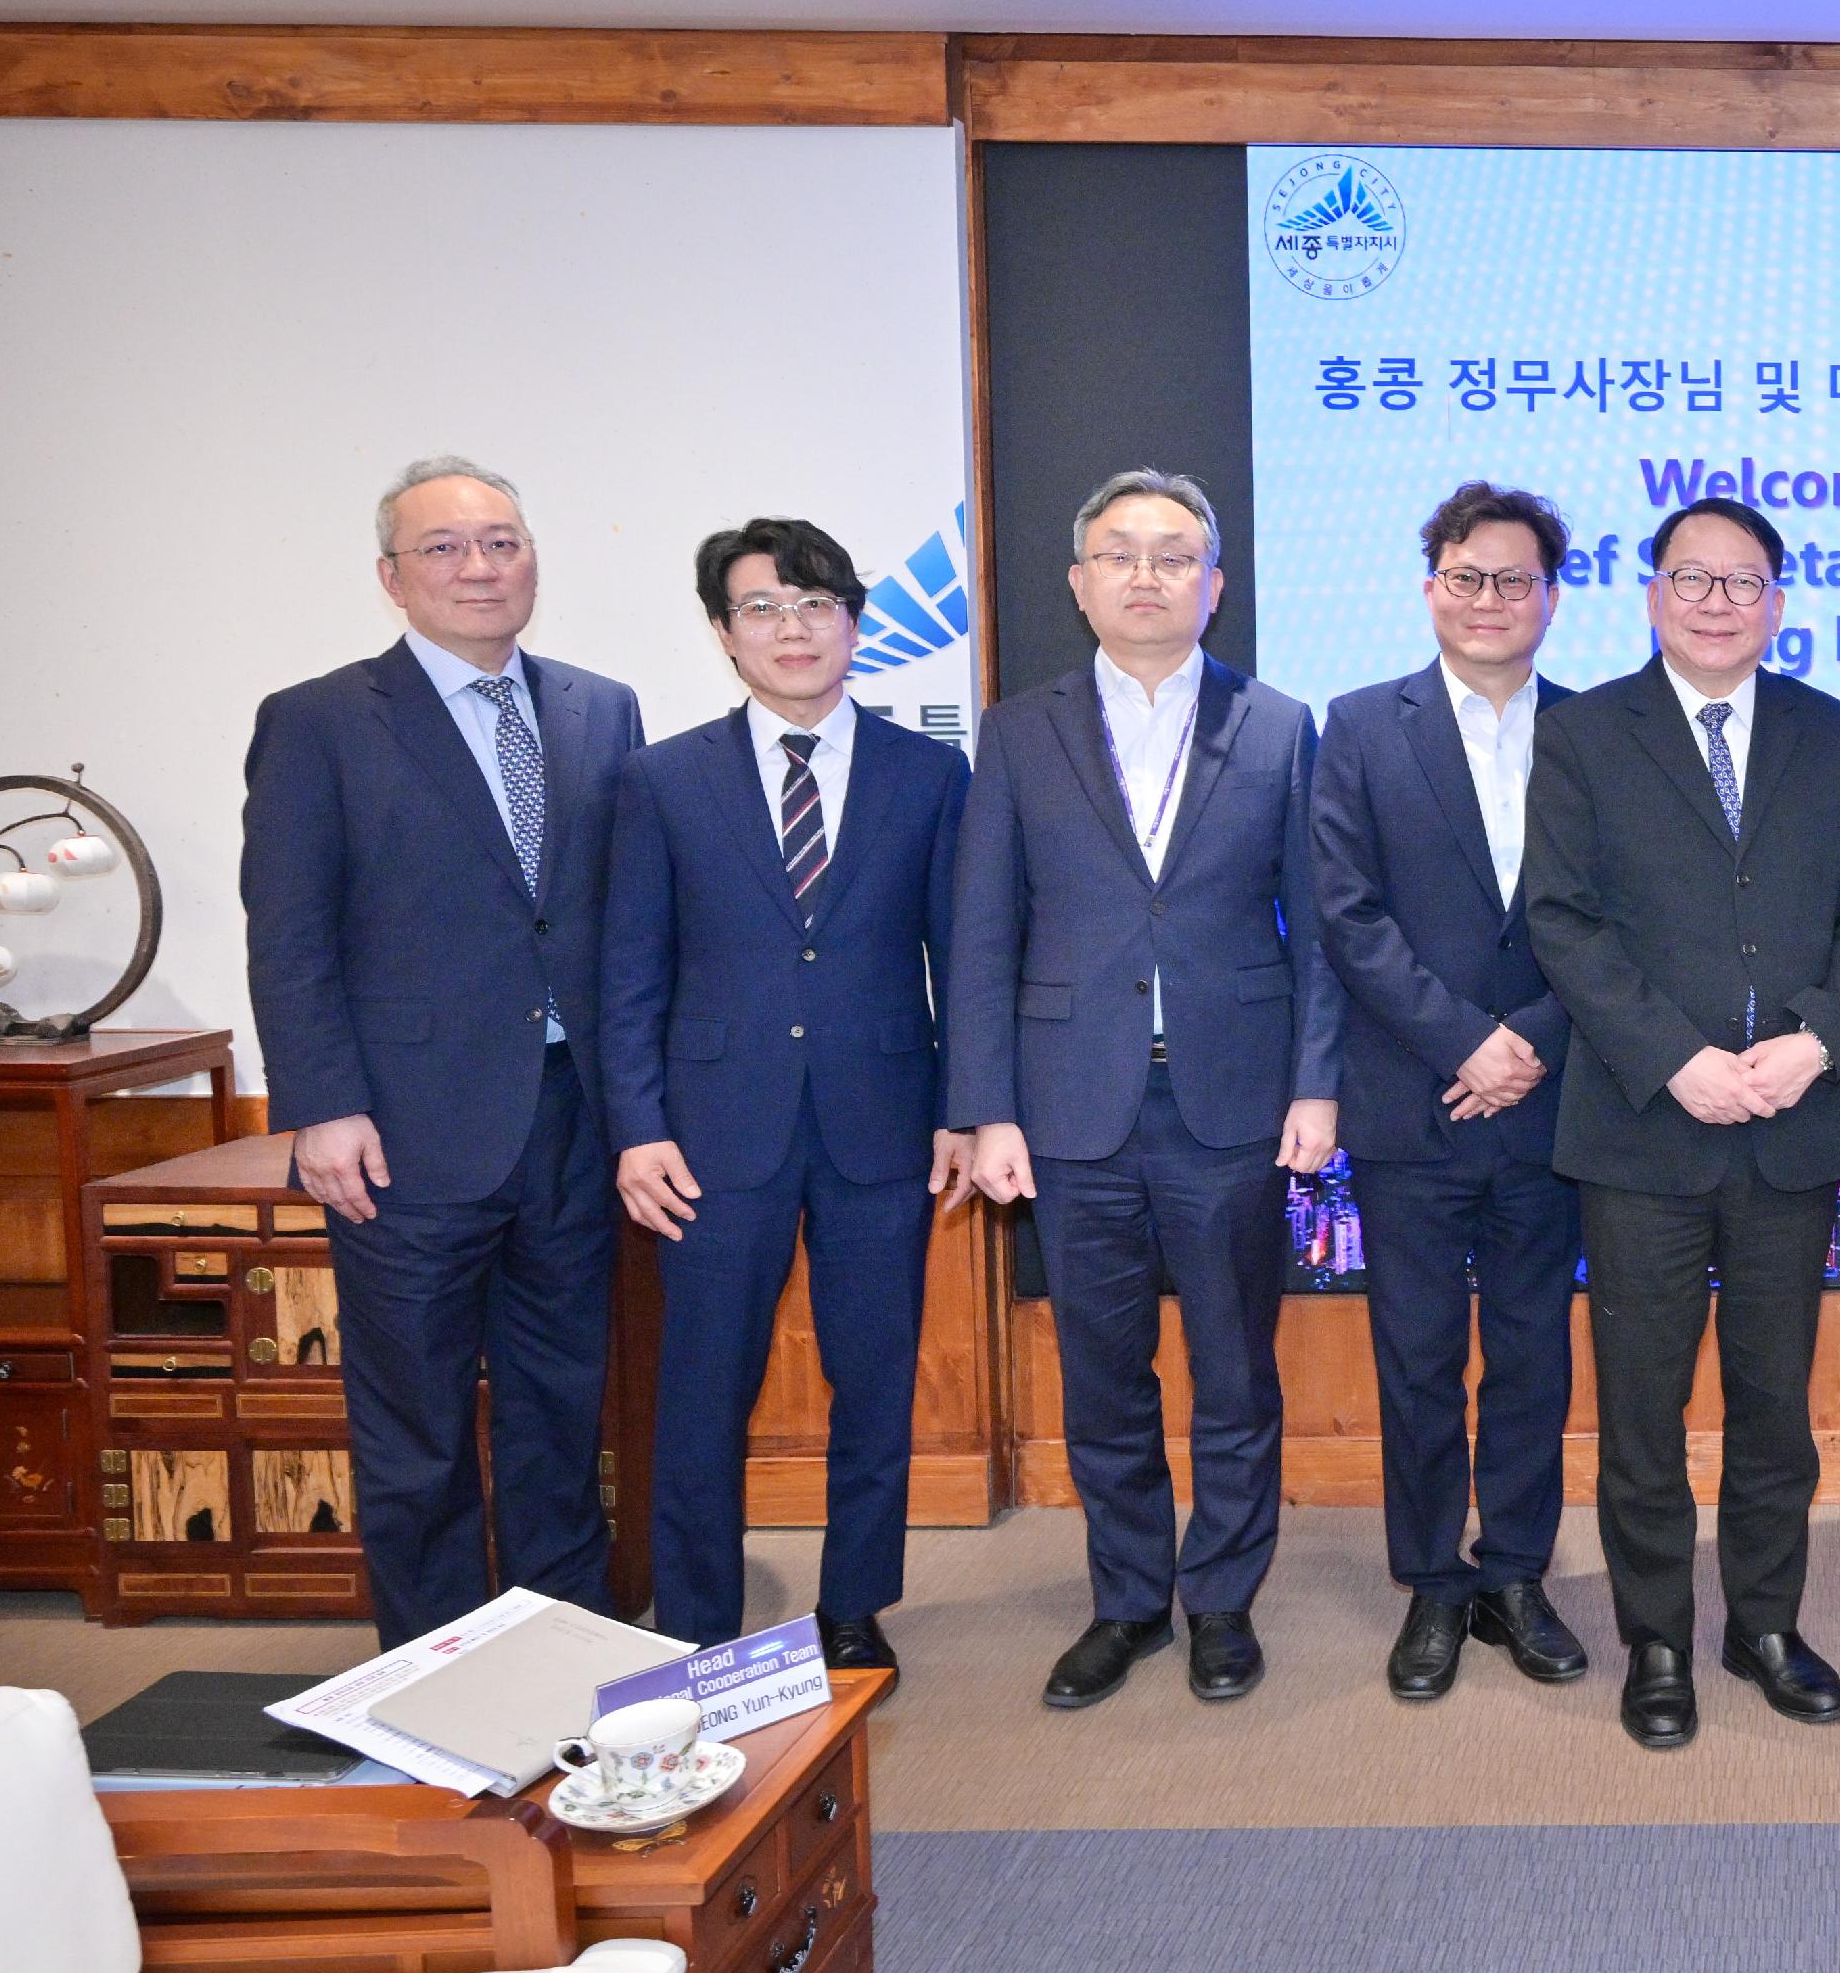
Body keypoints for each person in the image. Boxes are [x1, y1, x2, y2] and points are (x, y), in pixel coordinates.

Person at [950, 469, 1344, 1712]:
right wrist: (986, 1108)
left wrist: (1317, 1085)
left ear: (1214, 585)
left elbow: (1322, 931)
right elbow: (979, 932)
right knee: (1101, 1373)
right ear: (1079, 584)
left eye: (1175, 556)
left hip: (1231, 1101)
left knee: (1235, 1369)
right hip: (1070, 1109)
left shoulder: (1279, 726)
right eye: (1119, 553)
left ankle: (1221, 1597)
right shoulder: (1018, 730)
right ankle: (1127, 1600)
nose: (1146, 575)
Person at [1523, 496, 1840, 1750]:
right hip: (1644, 1130)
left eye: (1745, 583)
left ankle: (1764, 1627)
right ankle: (1657, 1643)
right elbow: (1562, 920)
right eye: (1694, 578)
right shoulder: (1581, 733)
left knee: (1771, 1405)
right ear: (1650, 595)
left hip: (1789, 1126)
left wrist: (1816, 1039)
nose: (1719, 602)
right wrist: (1675, 1057)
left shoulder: (1833, 733)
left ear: (1779, 602)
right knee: (1640, 1411)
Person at [242, 457, 642, 1647]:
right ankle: (432, 1679)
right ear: (391, 578)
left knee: (561, 1413)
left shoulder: (598, 705)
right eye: (446, 548)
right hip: (402, 1135)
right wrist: (322, 1106)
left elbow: (612, 916)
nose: (480, 567)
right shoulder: (317, 722)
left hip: (575, 1122)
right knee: (413, 1431)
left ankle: (564, 1656)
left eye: (503, 542)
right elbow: (293, 931)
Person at [600, 519, 971, 1673]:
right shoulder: (663, 779)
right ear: (724, 635)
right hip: (711, 1136)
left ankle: (854, 1607)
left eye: (815, 604)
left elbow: (960, 956)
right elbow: (628, 970)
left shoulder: (929, 773)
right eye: (762, 608)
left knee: (874, 1378)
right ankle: (699, 1620)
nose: (792, 628)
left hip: (883, 1126)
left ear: (856, 624)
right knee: (702, 1387)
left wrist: (964, 1107)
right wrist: (638, 1128)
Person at [1310, 482, 1592, 1702]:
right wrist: (1460, 1044)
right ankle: (1432, 1584)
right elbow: (1346, 913)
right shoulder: (1361, 725)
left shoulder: (1598, 732)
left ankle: (1516, 1575)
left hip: (1553, 1101)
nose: (1489, 600)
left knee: (1532, 1355)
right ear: (1431, 586)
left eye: (1514, 580)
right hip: (1412, 1103)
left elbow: (1618, 920)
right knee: (1418, 1357)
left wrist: (1521, 1042)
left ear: (1550, 597)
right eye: (1467, 577)